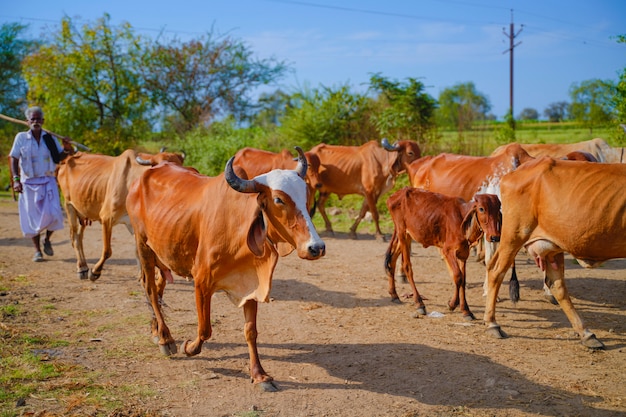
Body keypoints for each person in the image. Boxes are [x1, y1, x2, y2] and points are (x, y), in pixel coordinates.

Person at [9, 106, 74, 262]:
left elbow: (59, 158)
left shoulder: (49, 138)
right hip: (28, 183)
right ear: (27, 121)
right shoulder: (21, 138)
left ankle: (47, 240)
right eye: (33, 119)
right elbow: (14, 158)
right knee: (33, 218)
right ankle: (37, 250)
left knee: (54, 214)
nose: (36, 122)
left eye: (38, 119)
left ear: (43, 121)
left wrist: (66, 148)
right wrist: (16, 180)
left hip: (48, 181)